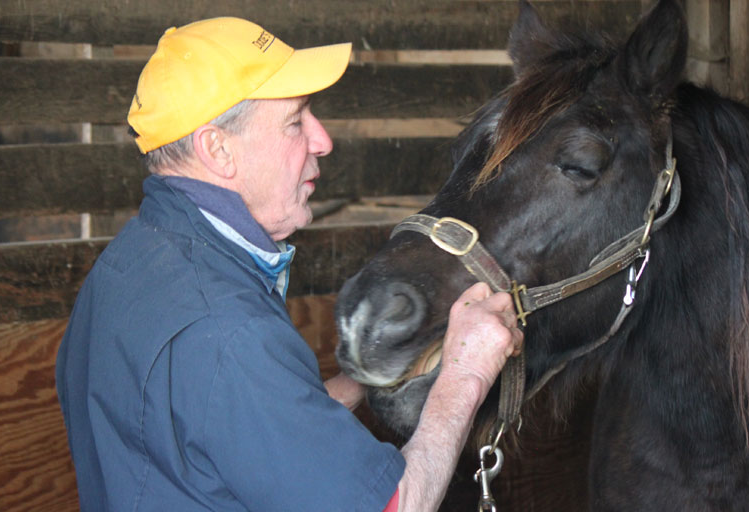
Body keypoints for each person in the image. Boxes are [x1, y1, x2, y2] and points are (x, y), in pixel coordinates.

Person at [55, 17, 523, 512]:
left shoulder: (125, 267)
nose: (322, 140)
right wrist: (465, 373)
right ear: (217, 149)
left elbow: (233, 425)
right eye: (296, 121)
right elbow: (394, 504)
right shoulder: (229, 331)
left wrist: (370, 376)